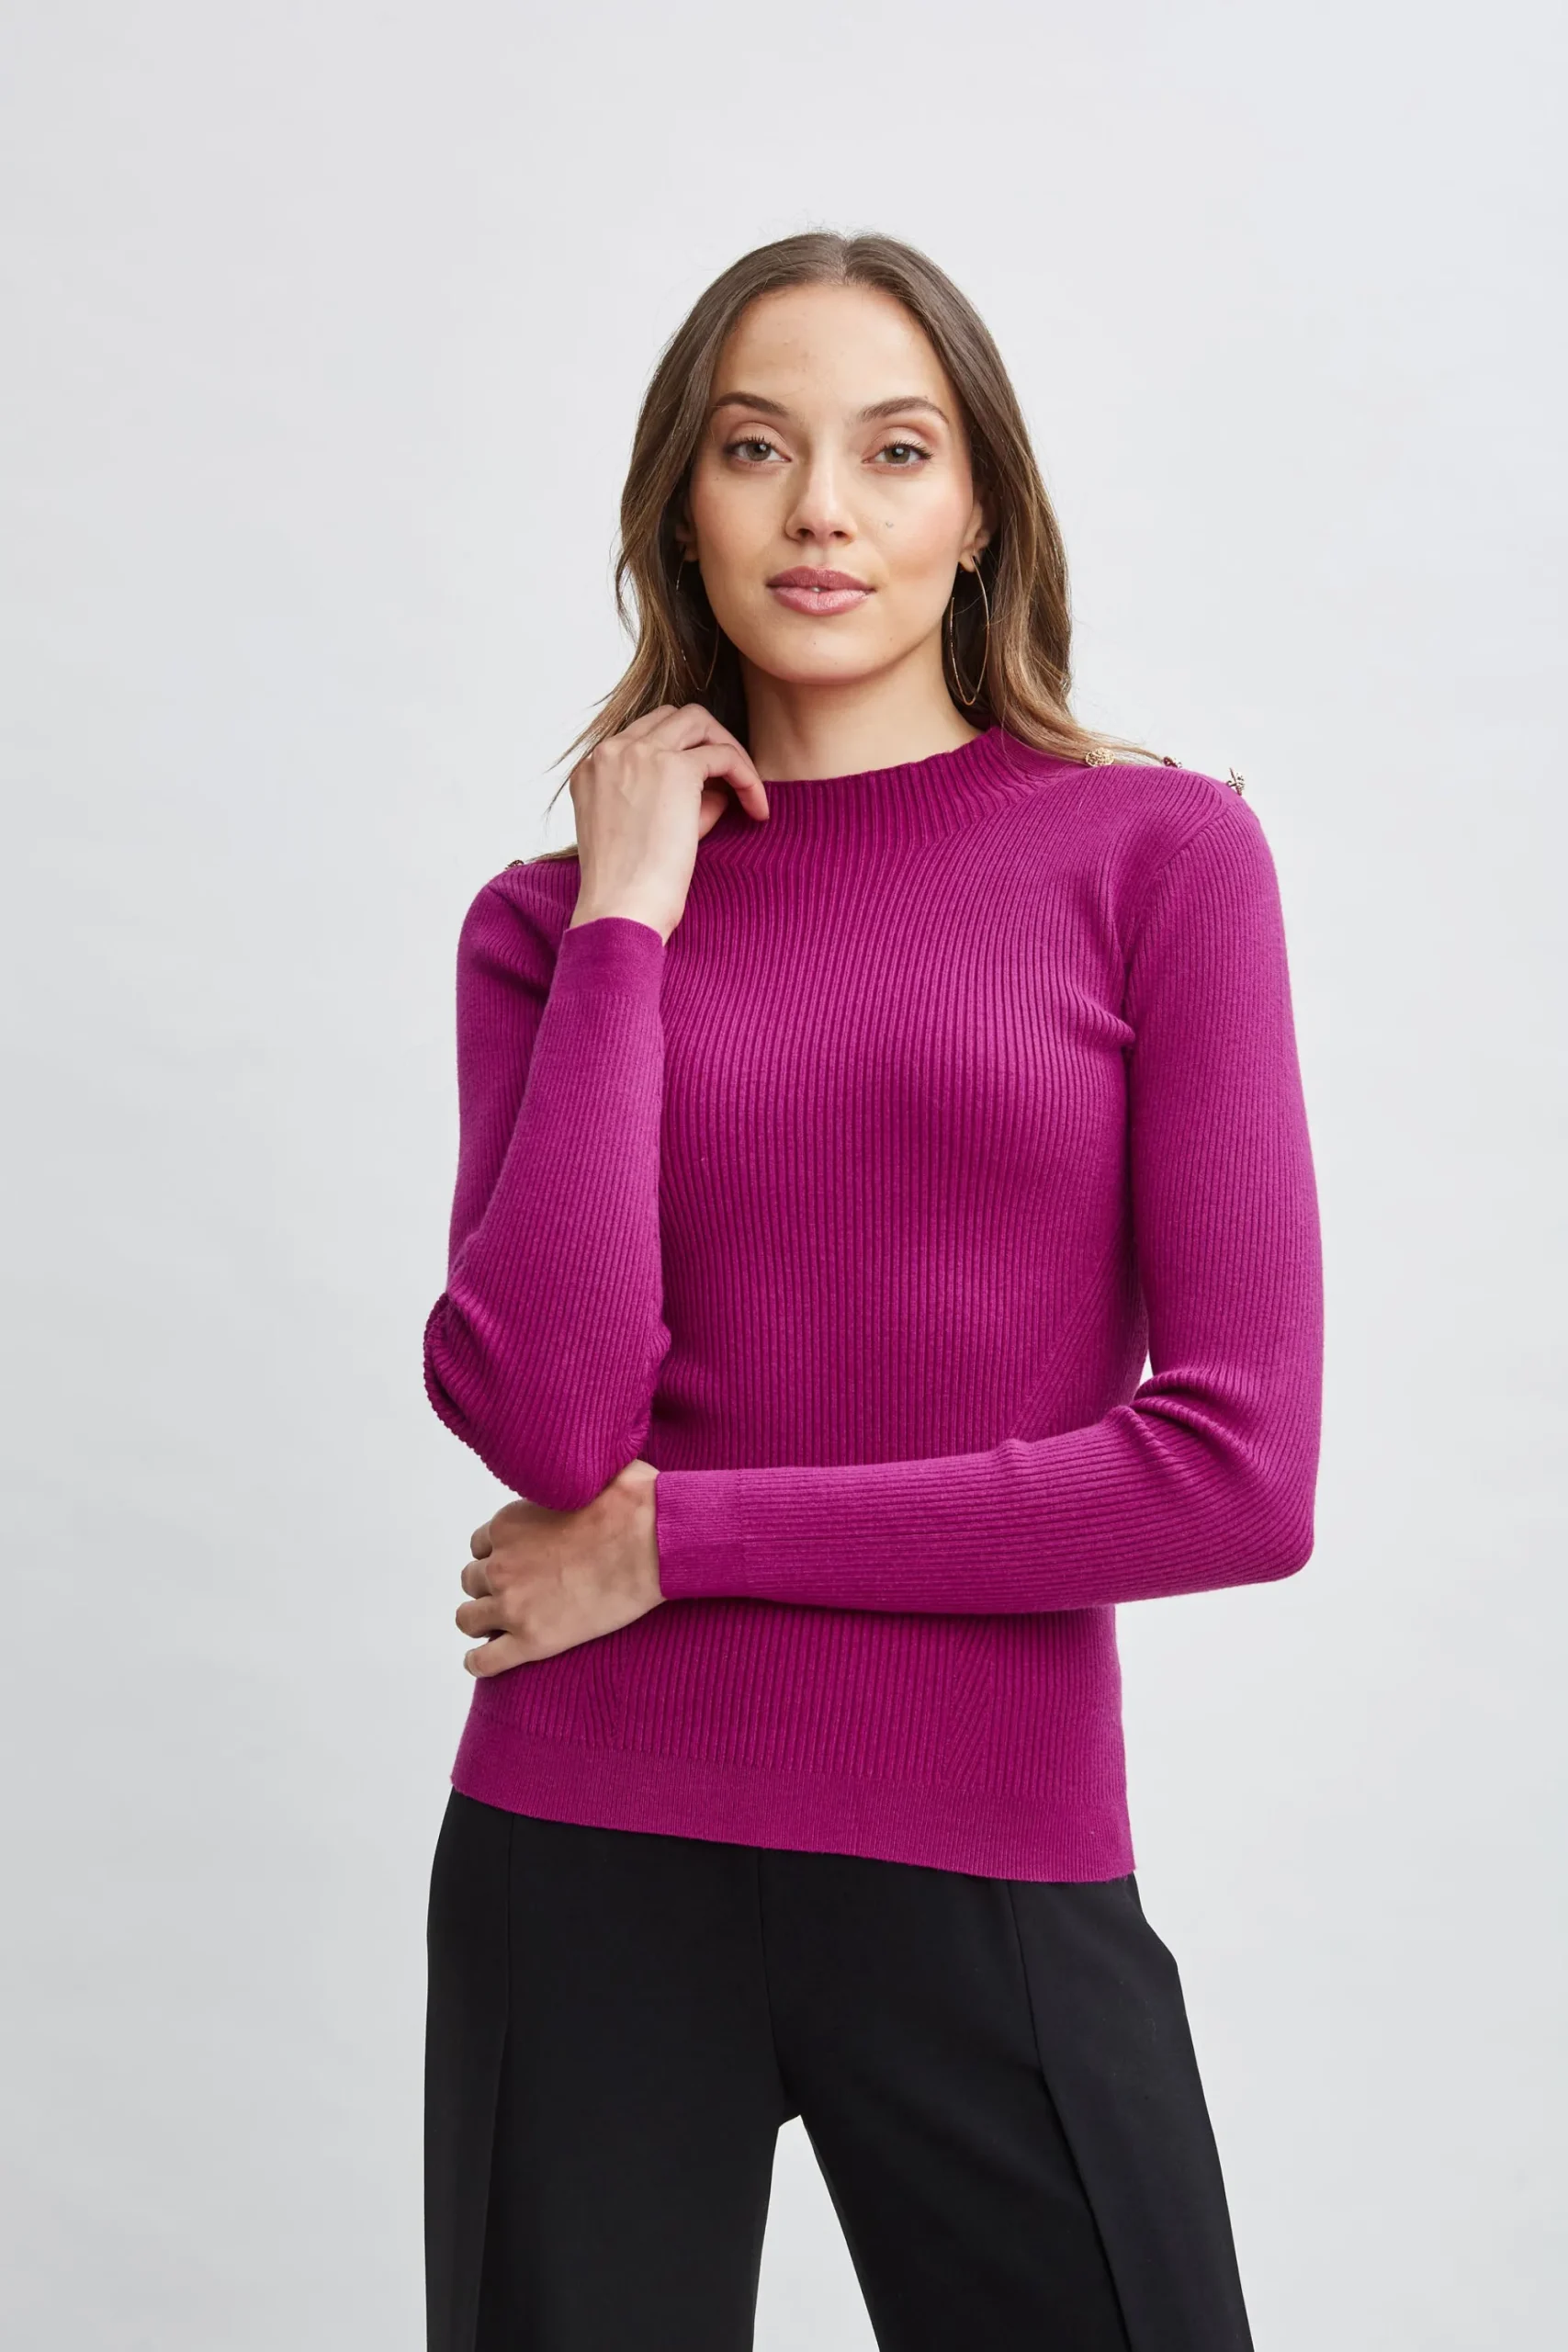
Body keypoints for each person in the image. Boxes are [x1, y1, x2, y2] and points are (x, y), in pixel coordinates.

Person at [420, 230, 1324, 2352]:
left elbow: (1237, 1473)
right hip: (585, 1840)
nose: (820, 506)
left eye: (892, 450)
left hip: (991, 1845)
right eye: (757, 448)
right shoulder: (545, 925)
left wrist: (682, 1539)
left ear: (979, 507)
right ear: (682, 505)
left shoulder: (1154, 857)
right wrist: (629, 916)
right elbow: (549, 1419)